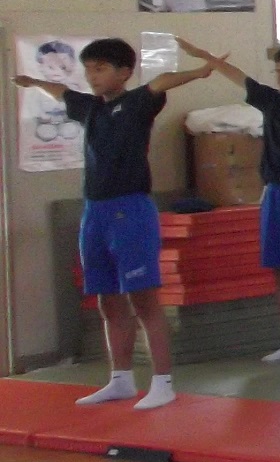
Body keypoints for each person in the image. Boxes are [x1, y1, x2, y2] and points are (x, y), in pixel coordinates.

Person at [16, 38, 218, 409]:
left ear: (124, 73)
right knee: (107, 299)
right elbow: (61, 91)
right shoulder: (90, 108)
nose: (92, 76)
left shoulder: (138, 103)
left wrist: (200, 71)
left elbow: (163, 81)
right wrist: (32, 82)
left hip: (131, 209)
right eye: (88, 69)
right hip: (95, 212)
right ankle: (120, 379)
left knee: (144, 299)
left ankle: (162, 381)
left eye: (101, 69)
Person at [177, 36, 280, 362]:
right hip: (275, 193)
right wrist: (204, 55)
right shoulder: (270, 101)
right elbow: (238, 76)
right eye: (278, 69)